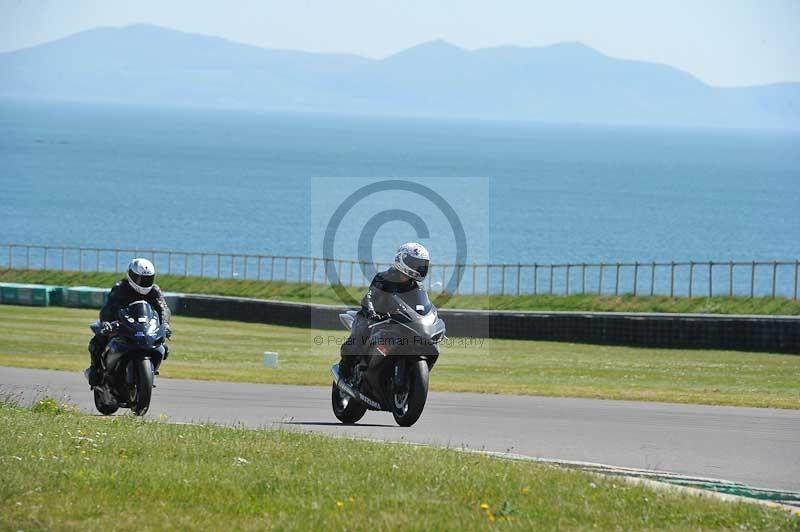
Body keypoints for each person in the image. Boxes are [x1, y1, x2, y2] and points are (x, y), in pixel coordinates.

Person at [338, 242, 430, 379]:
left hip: (399, 322)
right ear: (402, 260)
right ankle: (344, 370)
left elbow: (421, 306)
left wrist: (427, 316)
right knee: (358, 339)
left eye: (421, 264)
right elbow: (370, 297)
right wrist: (372, 312)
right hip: (372, 318)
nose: (419, 268)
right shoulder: (383, 278)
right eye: (414, 263)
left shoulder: (417, 287)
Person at [85, 258, 172, 386]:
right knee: (98, 340)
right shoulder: (120, 288)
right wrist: (106, 323)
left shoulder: (154, 290)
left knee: (163, 345)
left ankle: (150, 372)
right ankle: (95, 369)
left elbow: (163, 308)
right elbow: (108, 307)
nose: (143, 282)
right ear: (131, 275)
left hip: (144, 327)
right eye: (140, 279)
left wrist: (165, 324)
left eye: (147, 279)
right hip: (120, 325)